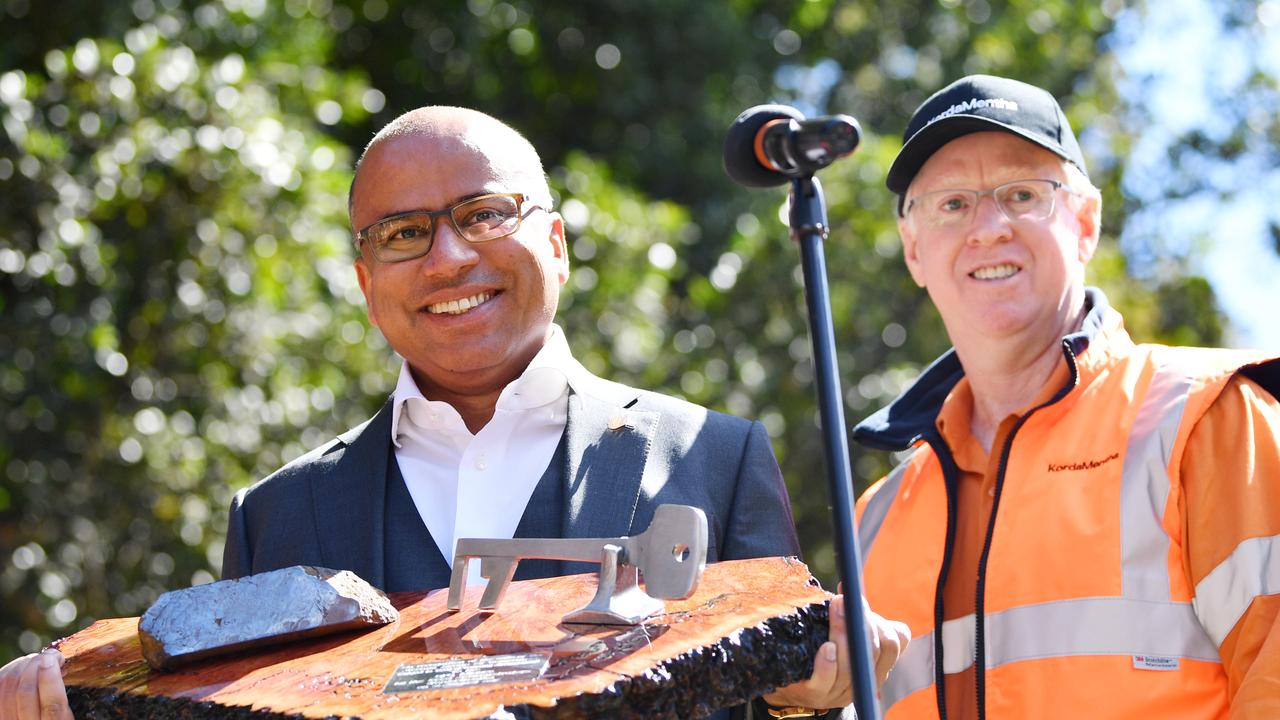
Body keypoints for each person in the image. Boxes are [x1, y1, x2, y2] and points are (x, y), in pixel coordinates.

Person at [1, 106, 907, 718]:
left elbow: (777, 697)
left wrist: (803, 695)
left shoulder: (717, 455)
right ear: (365, 283)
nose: (447, 258)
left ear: (555, 242)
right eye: (404, 233)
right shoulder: (274, 515)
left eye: (483, 213)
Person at [851, 74, 1280, 719]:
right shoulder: (874, 520)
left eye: (1021, 194)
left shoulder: (1206, 418)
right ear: (914, 249)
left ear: (1084, 222)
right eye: (952, 204)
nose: (988, 227)